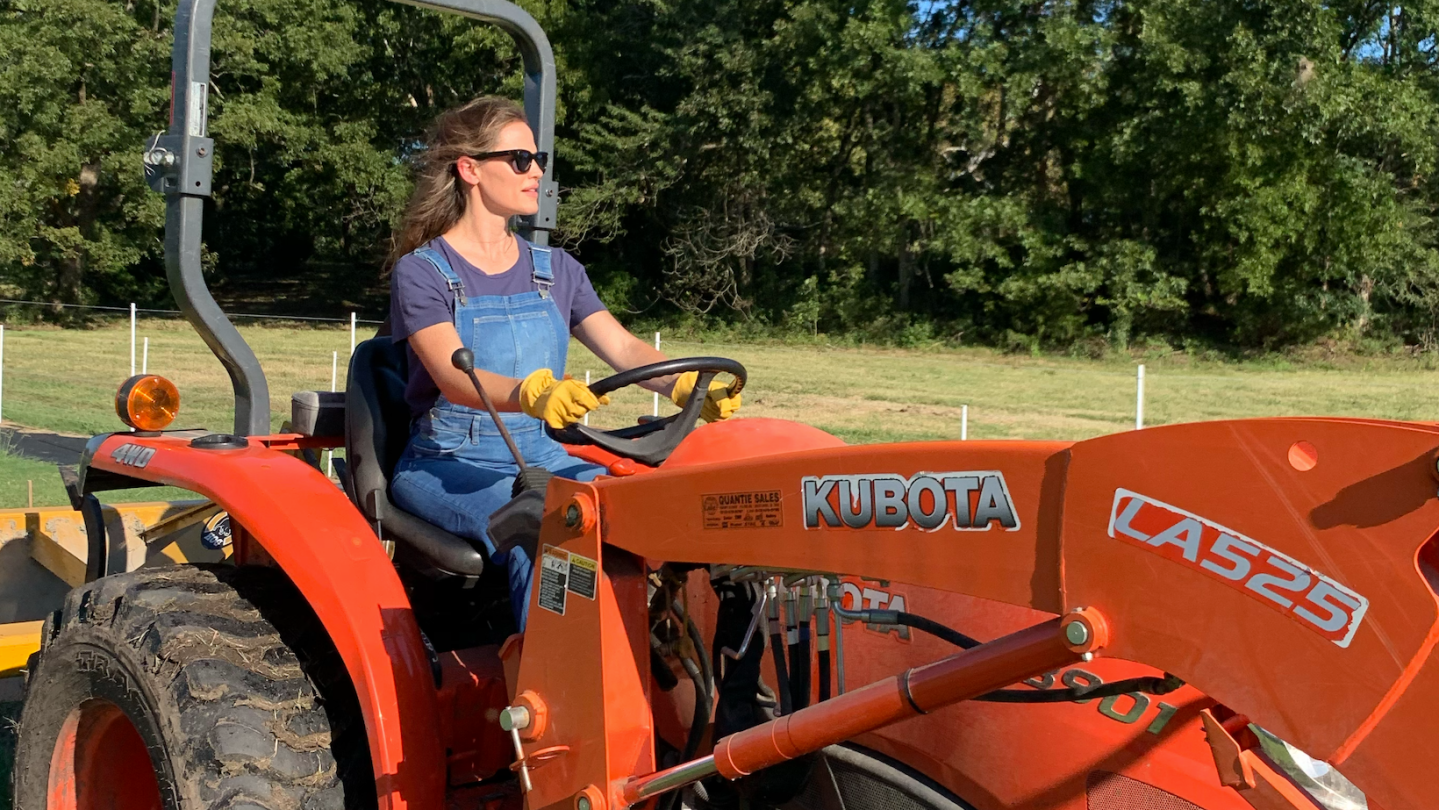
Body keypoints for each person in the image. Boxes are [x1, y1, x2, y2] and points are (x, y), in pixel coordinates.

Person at [387, 96, 741, 630]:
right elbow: (452, 377)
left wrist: (686, 384)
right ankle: (554, 675)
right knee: (551, 528)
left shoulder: (557, 270)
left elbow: (624, 348)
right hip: (448, 464)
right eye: (520, 160)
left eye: (540, 160)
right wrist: (531, 393)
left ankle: (666, 654)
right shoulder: (423, 272)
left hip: (544, 456)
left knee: (645, 510)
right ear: (470, 170)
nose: (537, 173)